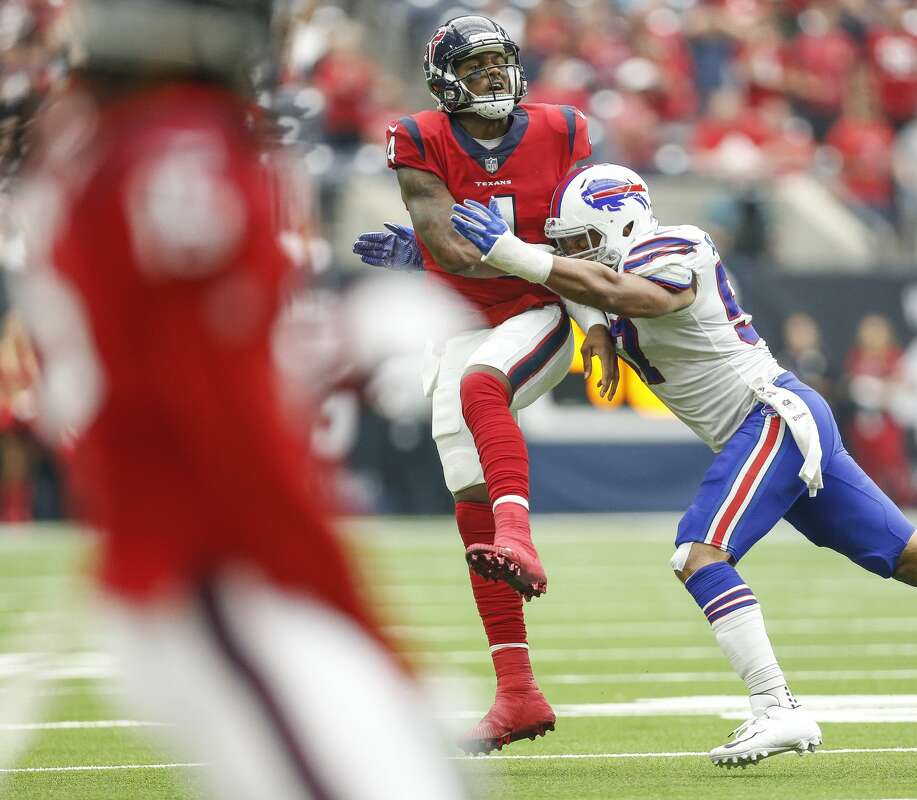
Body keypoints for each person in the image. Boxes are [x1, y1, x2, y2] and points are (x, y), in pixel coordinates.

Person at [449, 163, 917, 768]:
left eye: (581, 241)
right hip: (776, 425)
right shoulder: (611, 269)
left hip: (770, 417)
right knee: (910, 556)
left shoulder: (672, 246)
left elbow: (638, 296)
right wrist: (447, 259)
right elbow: (588, 291)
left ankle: (777, 705)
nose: (572, 255)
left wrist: (520, 255)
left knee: (698, 554)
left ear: (619, 223)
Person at [14, 0, 464, 796]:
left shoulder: (104, 138)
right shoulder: (173, 144)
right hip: (213, 559)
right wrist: (344, 341)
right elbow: (198, 387)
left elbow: (193, 353)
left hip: (211, 556)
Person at [350, 15, 617, 753]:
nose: (494, 75)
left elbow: (583, 242)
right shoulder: (420, 137)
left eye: (501, 61)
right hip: (467, 320)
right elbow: (450, 245)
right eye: (476, 67)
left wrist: (594, 320)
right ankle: (517, 691)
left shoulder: (562, 128)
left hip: (543, 309)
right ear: (444, 82)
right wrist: (428, 254)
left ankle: (520, 535)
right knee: (465, 481)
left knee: (480, 384)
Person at [843, 314, 917, 507]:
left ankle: (906, 504)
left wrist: (879, 389)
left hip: (887, 420)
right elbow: (852, 387)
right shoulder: (857, 357)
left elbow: (907, 386)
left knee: (892, 466)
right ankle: (870, 506)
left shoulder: (894, 356)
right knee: (866, 469)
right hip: (863, 422)